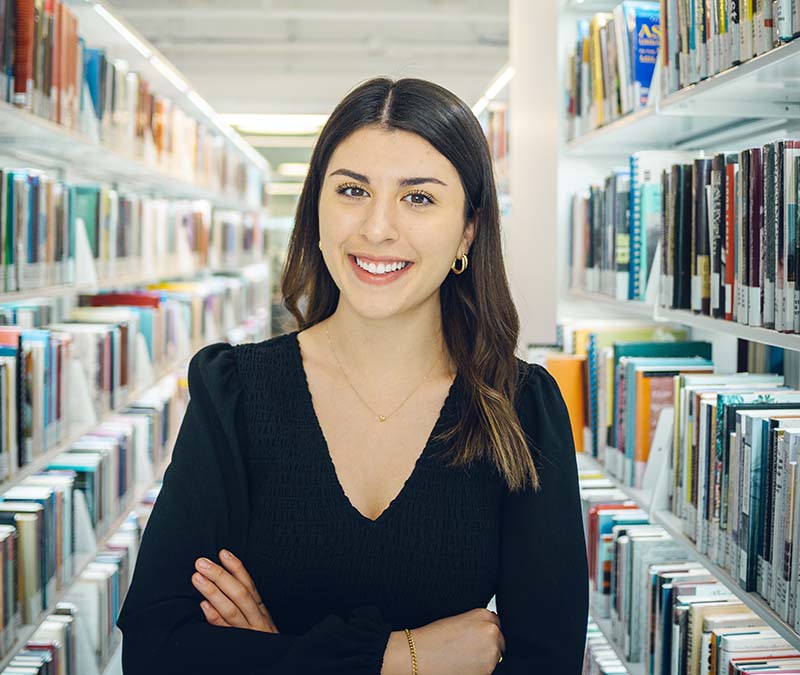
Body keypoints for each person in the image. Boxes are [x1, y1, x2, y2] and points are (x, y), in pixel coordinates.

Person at [116, 77, 589, 675]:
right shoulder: (234, 392)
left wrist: (269, 654)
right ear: (317, 207)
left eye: (419, 198)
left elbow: (546, 664)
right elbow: (157, 652)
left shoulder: (520, 411)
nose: (376, 228)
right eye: (352, 190)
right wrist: (401, 657)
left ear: (468, 229)